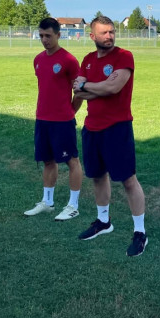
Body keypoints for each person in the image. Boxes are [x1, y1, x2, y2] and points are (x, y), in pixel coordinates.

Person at [73, 16, 148, 257]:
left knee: (128, 180)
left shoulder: (124, 57)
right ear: (92, 36)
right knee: (97, 176)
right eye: (104, 33)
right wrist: (98, 88)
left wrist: (88, 86)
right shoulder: (87, 60)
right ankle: (103, 222)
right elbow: (80, 93)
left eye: (112, 32)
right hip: (92, 127)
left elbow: (113, 87)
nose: (109, 36)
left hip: (117, 128)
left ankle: (140, 232)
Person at [24, 17, 84, 222]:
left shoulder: (68, 60)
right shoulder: (38, 60)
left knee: (71, 161)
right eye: (41, 36)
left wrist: (70, 111)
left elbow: (79, 92)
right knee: (48, 160)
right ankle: (47, 202)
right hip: (42, 119)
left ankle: (73, 206)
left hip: (62, 121)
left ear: (58, 35)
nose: (44, 40)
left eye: (48, 36)